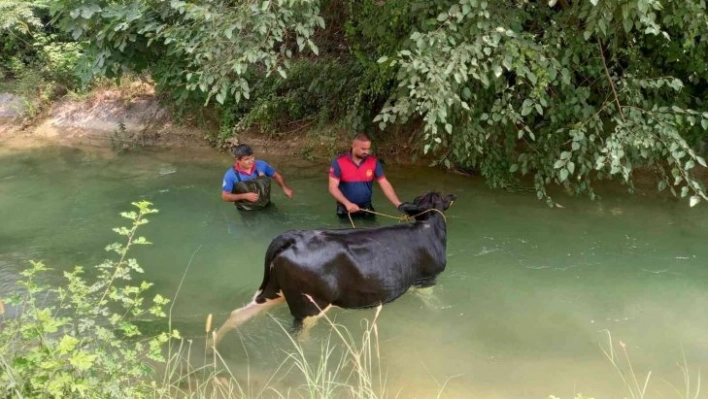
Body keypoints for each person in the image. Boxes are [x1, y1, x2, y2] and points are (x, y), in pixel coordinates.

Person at [328, 133, 404, 219]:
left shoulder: (373, 162)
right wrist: (347, 203)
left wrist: (398, 204)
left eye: (368, 149)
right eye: (363, 149)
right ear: (353, 145)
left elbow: (384, 183)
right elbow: (332, 188)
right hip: (346, 209)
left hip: (366, 208)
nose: (366, 152)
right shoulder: (338, 162)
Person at [221, 144, 294, 210]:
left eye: (252, 157)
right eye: (247, 159)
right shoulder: (230, 175)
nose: (251, 161)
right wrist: (244, 196)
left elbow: (276, 176)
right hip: (246, 209)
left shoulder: (261, 164)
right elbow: (225, 196)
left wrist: (285, 188)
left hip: (266, 204)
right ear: (238, 160)